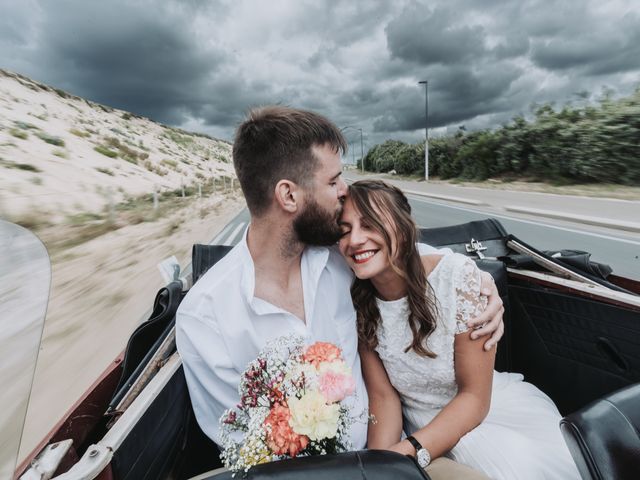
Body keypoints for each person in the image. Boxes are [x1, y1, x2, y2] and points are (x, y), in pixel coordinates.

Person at [176, 106, 505, 479]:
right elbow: (240, 444)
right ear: (288, 195)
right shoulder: (205, 315)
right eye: (333, 182)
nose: (345, 190)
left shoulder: (337, 257)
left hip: (385, 456)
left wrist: (476, 280)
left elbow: (397, 251)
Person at [337, 179, 580, 480]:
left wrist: (409, 451)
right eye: (345, 230)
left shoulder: (457, 279)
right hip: (419, 422)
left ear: (403, 227)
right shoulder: (358, 302)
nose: (355, 240)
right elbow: (383, 398)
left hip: (481, 415)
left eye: (369, 225)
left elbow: (474, 398)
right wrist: (378, 467)